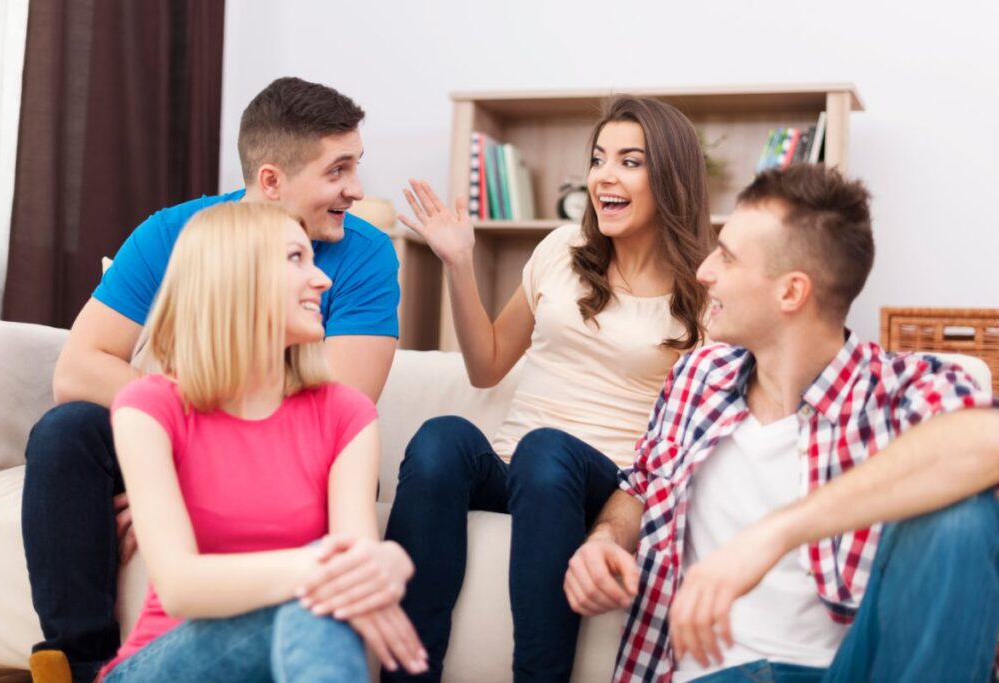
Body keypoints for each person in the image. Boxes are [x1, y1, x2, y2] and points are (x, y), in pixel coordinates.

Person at [23, 77, 400, 683]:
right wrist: (169, 458)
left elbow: (339, 401)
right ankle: (78, 661)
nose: (356, 190)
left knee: (322, 597)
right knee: (67, 431)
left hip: (287, 449)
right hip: (175, 437)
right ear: (272, 179)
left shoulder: (364, 253)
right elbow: (78, 368)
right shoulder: (177, 234)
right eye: (339, 171)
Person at [565, 163, 999, 683]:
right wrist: (604, 542)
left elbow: (987, 438)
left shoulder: (904, 392)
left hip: (850, 669)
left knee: (963, 516)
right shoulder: (697, 377)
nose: (704, 271)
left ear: (791, 293)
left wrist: (772, 535)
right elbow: (641, 486)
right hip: (709, 675)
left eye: (726, 256)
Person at [384, 96, 714, 682]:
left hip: (605, 480)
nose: (605, 176)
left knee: (547, 449)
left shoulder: (704, 292)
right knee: (440, 440)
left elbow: (701, 424)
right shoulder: (559, 250)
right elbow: (486, 365)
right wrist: (460, 264)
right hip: (519, 468)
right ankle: (408, 674)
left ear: (671, 178)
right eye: (598, 159)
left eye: (630, 162)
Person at [96, 202, 425, 682]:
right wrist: (334, 566)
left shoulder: (346, 414)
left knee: (320, 605)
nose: (322, 281)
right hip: (162, 664)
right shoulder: (149, 407)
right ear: (234, 275)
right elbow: (180, 587)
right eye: (296, 259)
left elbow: (357, 570)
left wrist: (382, 563)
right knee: (318, 602)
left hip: (291, 656)